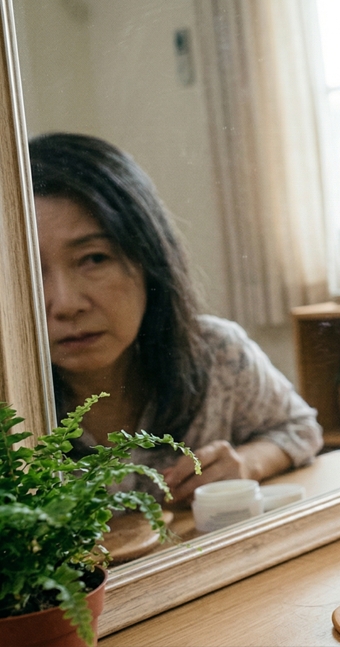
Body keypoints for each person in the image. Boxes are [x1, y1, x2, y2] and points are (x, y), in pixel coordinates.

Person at [31, 133, 323, 504]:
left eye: (94, 258)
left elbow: (298, 427)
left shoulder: (217, 353)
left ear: (149, 258)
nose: (66, 304)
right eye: (30, 271)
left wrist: (248, 462)